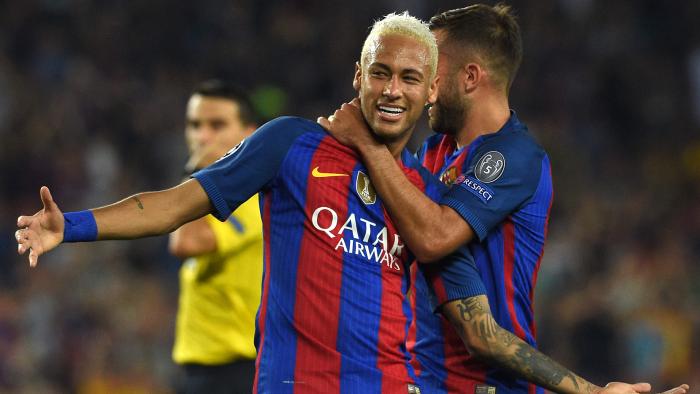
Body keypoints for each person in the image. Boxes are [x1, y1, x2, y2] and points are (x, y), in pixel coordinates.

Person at [15, 12, 686, 394]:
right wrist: (68, 226)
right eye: (381, 73)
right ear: (357, 77)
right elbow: (172, 204)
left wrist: (589, 392)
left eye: (410, 77)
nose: (393, 89)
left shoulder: (427, 199)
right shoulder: (291, 146)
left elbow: (482, 331)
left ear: (431, 93)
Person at [318, 4, 687, 394]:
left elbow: (435, 238)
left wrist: (368, 146)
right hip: (421, 381)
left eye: (432, 75)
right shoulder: (433, 152)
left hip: (492, 386)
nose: (424, 90)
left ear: (470, 77)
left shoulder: (515, 156)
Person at [168, 80, 263, 394]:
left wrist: (196, 170)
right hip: (201, 372)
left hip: (234, 372)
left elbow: (186, 243)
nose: (202, 136)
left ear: (249, 133)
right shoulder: (217, 196)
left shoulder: (250, 197)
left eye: (217, 125)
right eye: (195, 125)